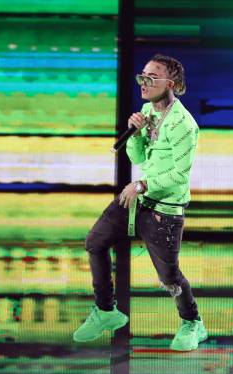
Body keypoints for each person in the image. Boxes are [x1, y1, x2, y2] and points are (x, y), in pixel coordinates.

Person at [73, 54, 207, 351]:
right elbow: (138, 158)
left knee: (169, 277)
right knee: (95, 242)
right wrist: (135, 132)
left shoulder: (184, 124)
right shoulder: (148, 110)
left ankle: (193, 323)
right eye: (142, 76)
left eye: (152, 78)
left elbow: (180, 175)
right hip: (138, 199)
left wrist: (142, 184)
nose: (144, 83)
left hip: (165, 209)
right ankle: (107, 311)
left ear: (170, 84)